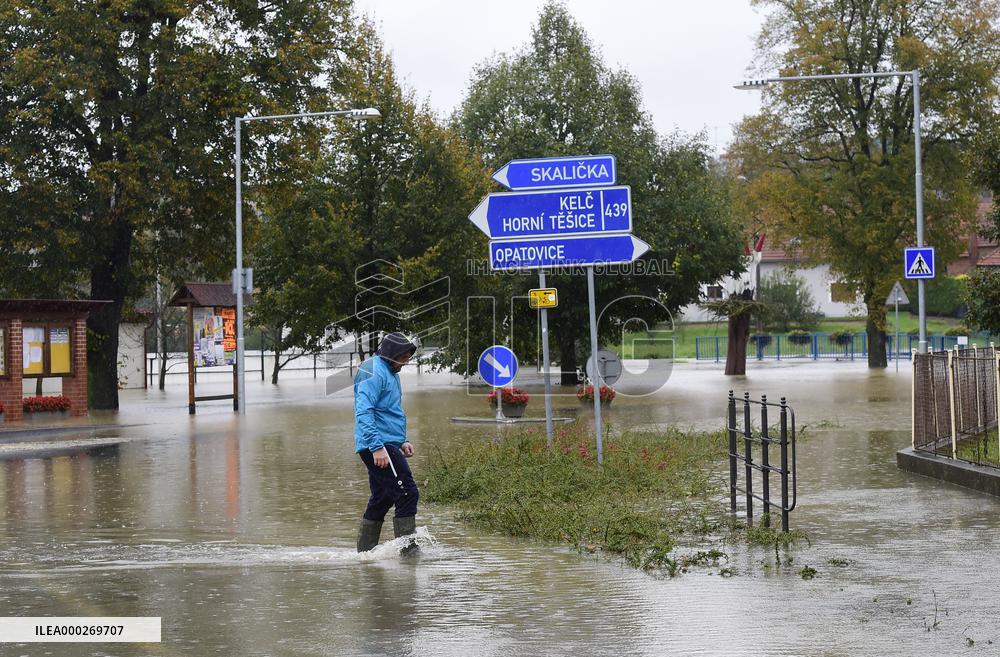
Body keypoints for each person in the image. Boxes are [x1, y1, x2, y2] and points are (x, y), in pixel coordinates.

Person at [354, 332, 420, 554]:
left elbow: (391, 410)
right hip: (377, 445)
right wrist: (377, 447)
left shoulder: (392, 372)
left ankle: (365, 556)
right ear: (392, 354)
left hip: (387, 444)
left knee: (383, 497)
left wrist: (403, 440)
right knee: (407, 493)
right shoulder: (372, 370)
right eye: (403, 357)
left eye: (409, 357)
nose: (406, 361)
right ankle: (409, 554)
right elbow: (364, 411)